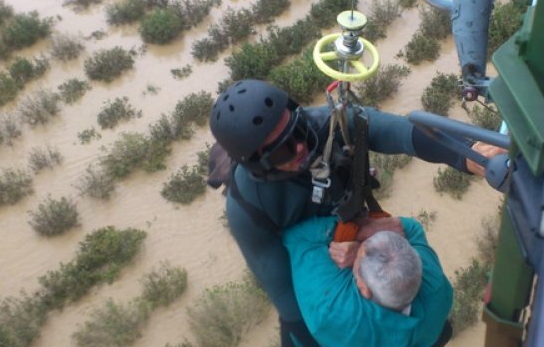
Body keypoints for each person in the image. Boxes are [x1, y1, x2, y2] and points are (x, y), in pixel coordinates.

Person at [209, 79, 502, 346]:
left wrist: (466, 154)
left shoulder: (330, 126)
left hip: (352, 235)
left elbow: (397, 131)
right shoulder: (248, 207)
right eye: (283, 151)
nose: (300, 147)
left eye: (297, 130)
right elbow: (287, 297)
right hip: (311, 265)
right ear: (259, 166)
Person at [283, 215, 453, 347]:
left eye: (356, 260)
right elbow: (412, 229)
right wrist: (365, 239)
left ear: (364, 289)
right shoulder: (435, 284)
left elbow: (295, 236)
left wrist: (357, 232)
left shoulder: (332, 310)